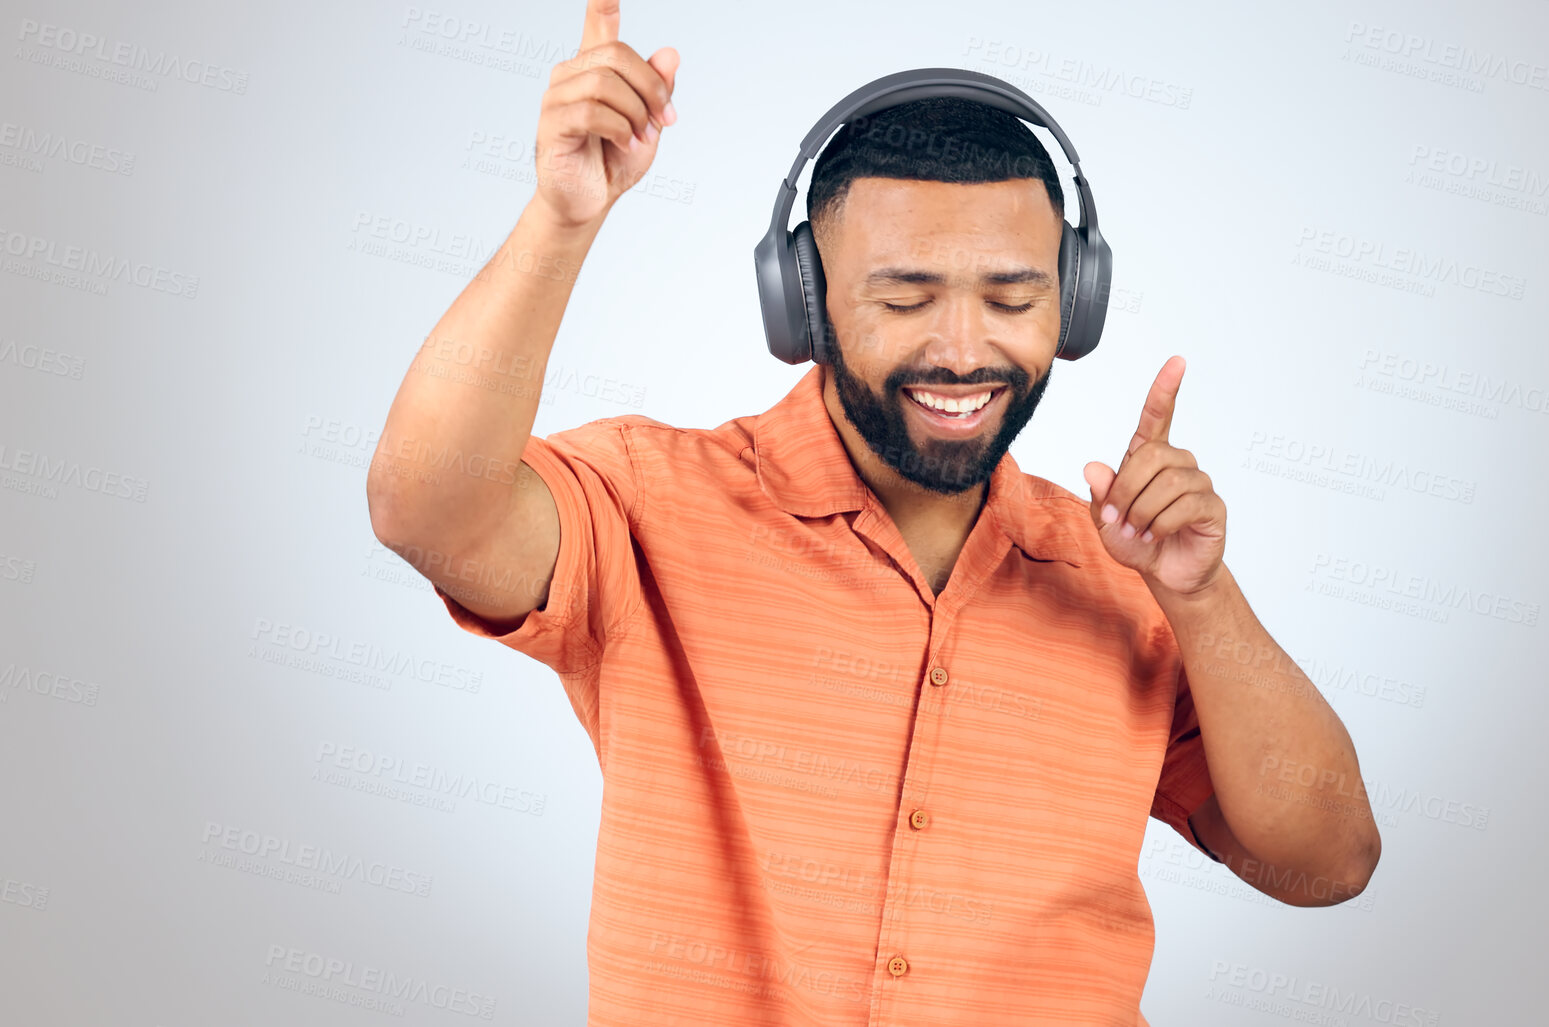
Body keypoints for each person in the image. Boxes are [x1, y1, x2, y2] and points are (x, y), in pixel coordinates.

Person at [364, 3, 1380, 1024]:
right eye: (904, 298)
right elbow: (427, 507)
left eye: (1014, 297)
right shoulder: (649, 506)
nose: (962, 348)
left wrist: (1200, 598)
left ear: (1076, 303)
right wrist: (561, 219)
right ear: (803, 302)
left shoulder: (1134, 580)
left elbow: (1327, 862)